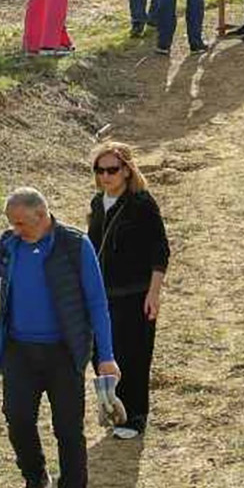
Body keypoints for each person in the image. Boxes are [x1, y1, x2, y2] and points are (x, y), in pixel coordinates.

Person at [0, 188, 118, 488]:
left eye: (20, 222)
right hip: (19, 351)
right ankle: (36, 479)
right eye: (11, 222)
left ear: (42, 215)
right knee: (17, 417)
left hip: (63, 353)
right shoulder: (10, 243)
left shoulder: (74, 245)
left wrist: (106, 356)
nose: (15, 228)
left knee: (68, 430)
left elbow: (97, 303)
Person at [87, 142, 167, 441]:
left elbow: (160, 251)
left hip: (135, 293)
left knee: (134, 356)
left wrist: (154, 293)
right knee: (101, 353)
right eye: (100, 169)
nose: (105, 175)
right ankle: (114, 407)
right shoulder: (98, 203)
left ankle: (135, 416)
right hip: (101, 295)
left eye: (112, 169)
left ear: (126, 170)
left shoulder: (141, 203)